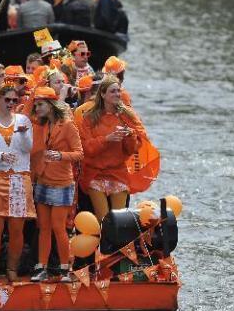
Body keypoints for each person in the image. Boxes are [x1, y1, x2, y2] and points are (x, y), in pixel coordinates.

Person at [0, 84, 35, 282]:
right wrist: (1, 156)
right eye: (7, 100)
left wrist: (23, 133)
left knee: (17, 229)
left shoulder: (23, 120)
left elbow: (28, 148)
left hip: (19, 177)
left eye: (14, 100)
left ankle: (12, 269)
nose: (11, 103)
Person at [29, 86, 83, 282]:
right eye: (36, 104)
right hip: (42, 179)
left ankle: (64, 269)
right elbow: (28, 112)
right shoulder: (39, 125)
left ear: (51, 105)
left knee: (58, 227)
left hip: (62, 182)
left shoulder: (67, 125)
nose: (37, 108)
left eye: (41, 104)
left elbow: (79, 153)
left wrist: (60, 155)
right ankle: (42, 267)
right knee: (43, 227)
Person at [78, 76, 146, 221]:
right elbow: (87, 148)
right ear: (102, 94)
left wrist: (130, 135)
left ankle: (118, 243)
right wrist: (107, 139)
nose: (117, 94)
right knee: (104, 220)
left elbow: (133, 149)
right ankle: (102, 242)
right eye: (112, 91)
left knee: (119, 221)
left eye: (118, 91)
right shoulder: (90, 118)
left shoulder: (127, 116)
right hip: (95, 174)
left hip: (118, 173)